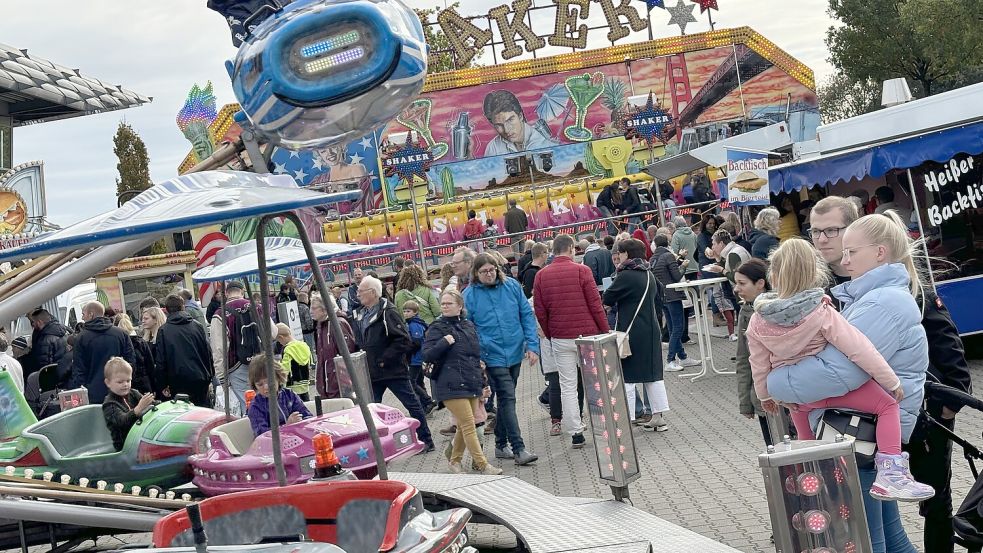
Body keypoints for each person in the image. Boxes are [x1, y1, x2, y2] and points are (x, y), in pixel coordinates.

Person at [811, 196, 972, 551]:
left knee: (932, 502)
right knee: (887, 526)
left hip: (917, 414)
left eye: (831, 231)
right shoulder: (834, 288)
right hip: (869, 424)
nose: (822, 239)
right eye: (815, 231)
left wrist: (948, 402)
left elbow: (948, 345)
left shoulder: (895, 290)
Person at [768, 212, 930, 552]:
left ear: (881, 253)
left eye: (853, 252)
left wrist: (776, 383)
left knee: (869, 542)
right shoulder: (877, 299)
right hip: (868, 435)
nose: (844, 259)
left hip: (859, 433)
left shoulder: (880, 303)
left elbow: (838, 373)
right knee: (890, 538)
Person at [747, 238, 934, 502]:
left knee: (805, 434)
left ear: (773, 276)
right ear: (815, 272)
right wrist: (890, 380)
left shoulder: (758, 319)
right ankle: (890, 473)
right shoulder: (820, 310)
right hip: (829, 388)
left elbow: (758, 360)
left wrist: (765, 395)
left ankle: (813, 476)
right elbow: (858, 347)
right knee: (887, 406)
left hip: (795, 397)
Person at [533, 234, 609, 449]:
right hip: (587, 335)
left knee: (567, 385)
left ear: (553, 251)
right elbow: (595, 304)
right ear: (572, 249)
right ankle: (603, 427)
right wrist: (604, 330)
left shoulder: (541, 276)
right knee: (594, 382)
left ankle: (576, 432)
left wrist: (550, 334)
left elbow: (540, 310)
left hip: (560, 336)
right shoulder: (582, 271)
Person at [463, 254, 539, 465]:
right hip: (491, 355)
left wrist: (532, 346)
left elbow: (526, 314)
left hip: (515, 351)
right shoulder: (469, 295)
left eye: (492, 270)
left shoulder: (512, 286)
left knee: (507, 400)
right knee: (508, 398)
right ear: (476, 274)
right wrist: (477, 356)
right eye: (484, 271)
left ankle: (499, 444)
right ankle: (518, 448)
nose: (489, 274)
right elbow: (467, 328)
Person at [423, 289, 502, 475]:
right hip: (449, 384)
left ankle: (454, 461)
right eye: (443, 303)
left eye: (449, 303)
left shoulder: (468, 325)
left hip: (471, 381)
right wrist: (443, 342)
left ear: (460, 306)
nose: (445, 306)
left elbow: (475, 357)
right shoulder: (436, 328)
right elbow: (427, 354)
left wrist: (483, 382)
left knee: (463, 426)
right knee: (469, 424)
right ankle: (483, 464)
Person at [355, 275, 435, 452]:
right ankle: (376, 446)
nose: (358, 293)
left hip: (392, 370)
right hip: (373, 372)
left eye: (361, 290)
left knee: (412, 404)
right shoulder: (362, 314)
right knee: (370, 410)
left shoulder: (388, 312)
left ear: (373, 293)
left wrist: (384, 360)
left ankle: (426, 440)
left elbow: (403, 340)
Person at [603, 238, 669, 431]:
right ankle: (658, 416)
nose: (618, 258)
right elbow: (660, 296)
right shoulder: (648, 273)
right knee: (653, 374)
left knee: (629, 376)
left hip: (632, 332)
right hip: (652, 329)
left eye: (620, 254)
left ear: (627, 254)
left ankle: (627, 418)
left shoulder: (626, 275)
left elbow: (607, 298)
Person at [209, 281, 276, 412]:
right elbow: (273, 333)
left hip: (237, 366)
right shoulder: (257, 307)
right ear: (242, 291)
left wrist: (222, 378)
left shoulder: (220, 314)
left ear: (226, 294)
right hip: (261, 361)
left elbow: (218, 349)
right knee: (268, 400)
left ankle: (255, 428)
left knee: (249, 406)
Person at [732, 259, 772, 446]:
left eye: (742, 283)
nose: (737, 289)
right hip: (761, 398)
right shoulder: (745, 311)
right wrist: (745, 402)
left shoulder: (780, 309)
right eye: (736, 283)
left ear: (760, 283)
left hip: (784, 394)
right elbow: (743, 359)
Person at [650, 234, 699, 372]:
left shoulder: (653, 258)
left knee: (672, 328)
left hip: (662, 297)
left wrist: (678, 259)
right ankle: (670, 360)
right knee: (678, 328)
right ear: (668, 244)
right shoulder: (668, 256)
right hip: (673, 295)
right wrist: (683, 266)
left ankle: (682, 357)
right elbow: (676, 276)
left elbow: (665, 272)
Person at [155, 294, 214, 407]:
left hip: (177, 381)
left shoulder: (164, 331)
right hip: (200, 377)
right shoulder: (197, 326)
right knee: (204, 414)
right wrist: (210, 375)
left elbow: (161, 360)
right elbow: (207, 351)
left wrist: (162, 384)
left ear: (166, 310)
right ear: (183, 307)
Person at [72, 302, 135, 404]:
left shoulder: (81, 338)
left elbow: (79, 370)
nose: (82, 318)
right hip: (120, 392)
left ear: (91, 314)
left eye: (83, 314)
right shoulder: (121, 334)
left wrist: (82, 392)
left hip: (94, 394)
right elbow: (131, 361)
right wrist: (126, 382)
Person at [246, 355, 312, 436]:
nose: (266, 387)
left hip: (297, 438)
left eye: (270, 381)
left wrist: (301, 420)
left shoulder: (289, 395)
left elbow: (307, 416)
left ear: (278, 378)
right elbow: (262, 434)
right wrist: (286, 426)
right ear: (254, 385)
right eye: (260, 384)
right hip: (271, 446)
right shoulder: (255, 407)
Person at [482, 89, 558, 157]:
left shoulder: (543, 140)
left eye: (510, 120)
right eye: (499, 125)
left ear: (520, 116)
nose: (506, 130)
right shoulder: (493, 148)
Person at [705, 229, 751, 341]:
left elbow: (736, 278)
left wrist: (721, 269)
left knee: (746, 325)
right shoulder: (734, 250)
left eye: (714, 244)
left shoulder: (733, 254)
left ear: (721, 243)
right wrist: (717, 258)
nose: (712, 247)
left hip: (744, 294)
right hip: (745, 292)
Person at [101, 357, 156, 451]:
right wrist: (138, 409)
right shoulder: (109, 404)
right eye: (120, 382)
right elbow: (122, 422)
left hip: (140, 439)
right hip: (125, 447)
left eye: (128, 380)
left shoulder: (133, 393)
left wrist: (155, 403)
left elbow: (152, 404)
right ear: (108, 383)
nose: (125, 384)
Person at [311, 294, 357, 399]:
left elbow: (347, 354)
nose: (311, 311)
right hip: (328, 385)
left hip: (339, 386)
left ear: (325, 308)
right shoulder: (321, 325)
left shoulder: (338, 324)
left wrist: (344, 384)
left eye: (314, 308)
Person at [402, 300, 434, 413]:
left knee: (411, 382)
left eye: (408, 311)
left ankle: (427, 400)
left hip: (416, 358)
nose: (405, 313)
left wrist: (407, 350)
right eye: (404, 311)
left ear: (415, 312)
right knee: (419, 381)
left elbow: (417, 341)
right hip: (416, 357)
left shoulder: (414, 324)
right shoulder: (412, 323)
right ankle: (425, 405)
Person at [115, 314, 156, 398]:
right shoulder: (141, 342)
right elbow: (150, 365)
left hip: (126, 385)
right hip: (144, 383)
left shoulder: (117, 345)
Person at [23, 309, 67, 378]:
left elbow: (45, 366)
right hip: (64, 373)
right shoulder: (61, 332)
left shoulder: (45, 340)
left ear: (39, 322)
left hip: (54, 378)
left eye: (33, 322)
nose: (32, 325)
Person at [274, 322, 312, 401]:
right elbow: (310, 362)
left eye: (279, 341)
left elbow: (285, 369)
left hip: (292, 386)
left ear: (281, 337)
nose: (280, 343)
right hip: (305, 384)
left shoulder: (287, 349)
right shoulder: (304, 345)